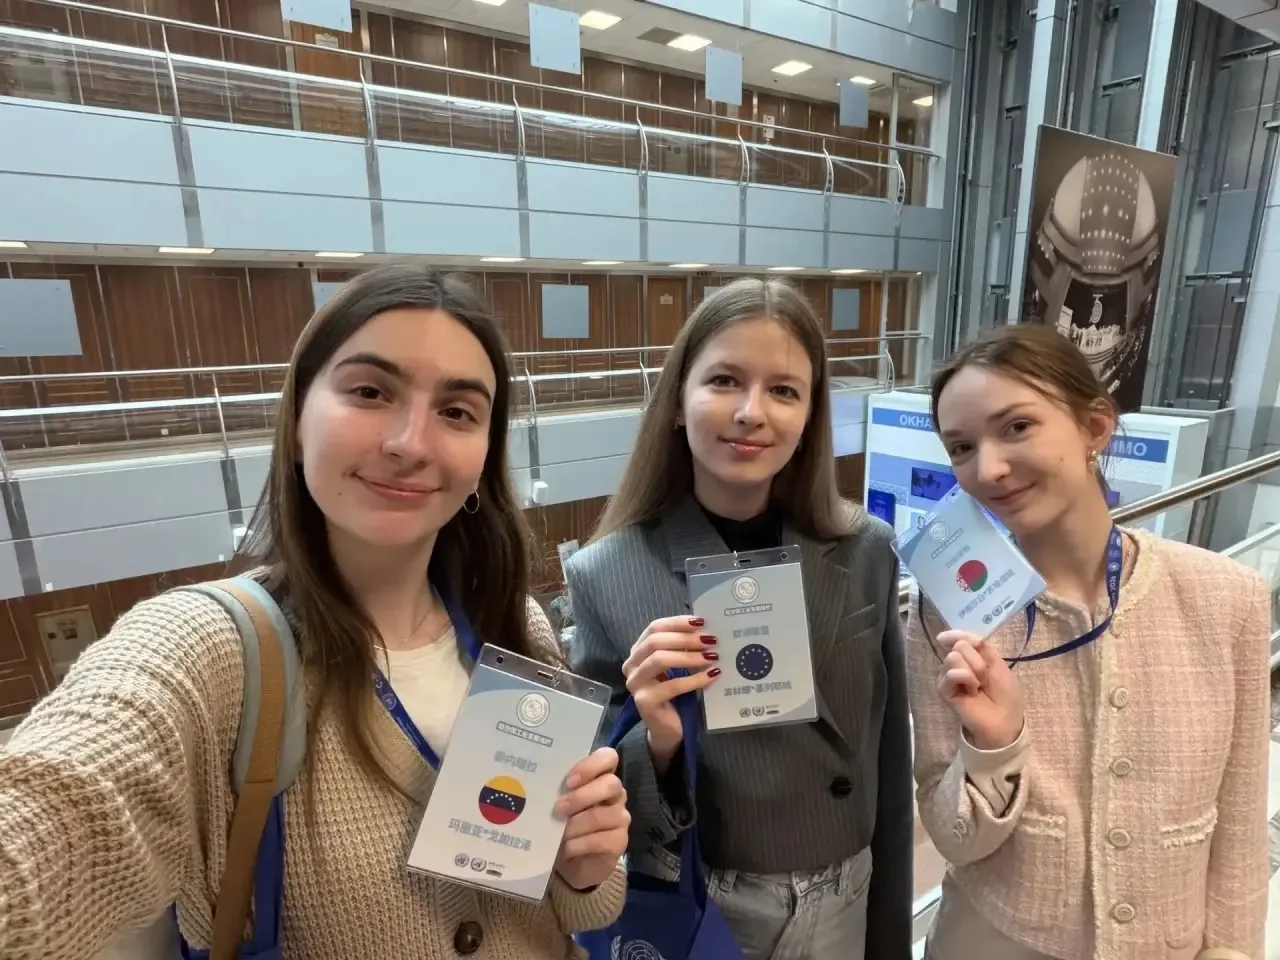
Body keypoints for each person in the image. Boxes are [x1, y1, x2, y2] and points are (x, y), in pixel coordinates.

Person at [0, 265, 628, 959]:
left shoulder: (514, 627)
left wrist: (584, 865)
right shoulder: (206, 653)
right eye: (370, 391)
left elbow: (583, 905)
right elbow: (57, 812)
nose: (411, 443)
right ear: (297, 423)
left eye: (457, 411)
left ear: (483, 457)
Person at [566, 278, 913, 960]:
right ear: (677, 402)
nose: (752, 413)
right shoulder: (606, 573)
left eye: (784, 390)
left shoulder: (867, 548)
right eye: (724, 380)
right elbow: (596, 785)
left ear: (810, 416)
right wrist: (659, 739)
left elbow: (888, 761)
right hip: (709, 905)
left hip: (847, 895)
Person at [908, 323, 1269, 960]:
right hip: (992, 943)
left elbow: (1241, 821)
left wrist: (1234, 950)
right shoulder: (949, 608)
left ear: (1095, 427)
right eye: (961, 447)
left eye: (1017, 427)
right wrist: (994, 745)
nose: (988, 468)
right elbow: (953, 836)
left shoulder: (1225, 598)